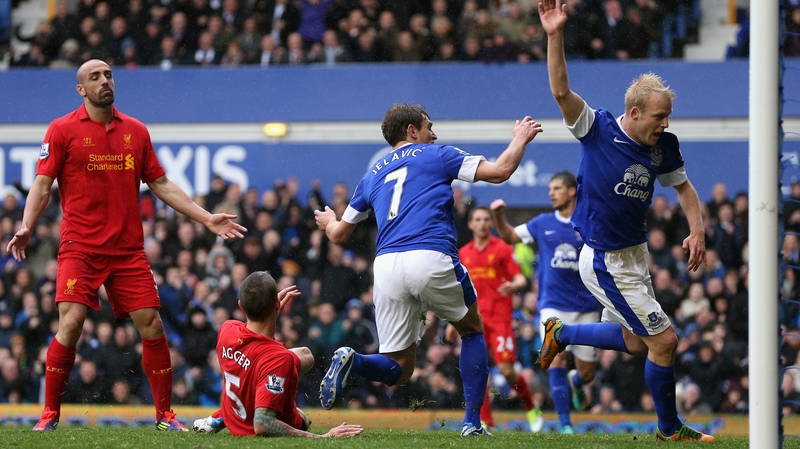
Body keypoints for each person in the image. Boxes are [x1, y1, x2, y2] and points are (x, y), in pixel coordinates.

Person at [8, 59, 247, 432]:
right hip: (80, 248)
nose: (105, 81)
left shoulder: (136, 131)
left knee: (152, 324)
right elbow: (41, 184)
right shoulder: (61, 130)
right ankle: (49, 414)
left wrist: (205, 217)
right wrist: (26, 225)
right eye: (95, 77)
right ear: (81, 90)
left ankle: (165, 416)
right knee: (70, 324)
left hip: (127, 251)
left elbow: (161, 184)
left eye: (108, 75)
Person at [536, 0, 715, 442]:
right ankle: (669, 429)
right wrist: (554, 33)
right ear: (634, 113)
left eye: (667, 116)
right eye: (659, 116)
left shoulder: (663, 146)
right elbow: (561, 92)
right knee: (665, 342)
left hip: (634, 256)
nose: (666, 123)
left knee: (637, 342)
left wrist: (697, 228)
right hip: (604, 260)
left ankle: (563, 332)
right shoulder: (597, 128)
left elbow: (686, 190)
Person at [314, 104, 542, 436]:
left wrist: (328, 220)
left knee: (400, 367)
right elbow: (501, 171)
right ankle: (472, 425)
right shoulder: (437, 156)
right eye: (428, 126)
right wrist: (520, 139)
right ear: (411, 131)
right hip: (430, 255)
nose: (433, 134)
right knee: (472, 330)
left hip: (387, 265)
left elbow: (337, 235)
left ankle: (355, 360)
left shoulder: (372, 173)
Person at [490, 171, 599, 434]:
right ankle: (565, 425)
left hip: (587, 307)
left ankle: (576, 382)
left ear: (572, 191)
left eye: (557, 188)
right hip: (553, 305)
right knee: (555, 362)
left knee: (586, 375)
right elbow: (510, 236)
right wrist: (498, 217)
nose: (551, 193)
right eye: (550, 188)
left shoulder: (590, 222)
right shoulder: (542, 223)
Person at [192, 271, 363, 438]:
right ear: (276, 303)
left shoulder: (227, 329)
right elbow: (262, 423)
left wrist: (270, 312)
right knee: (302, 416)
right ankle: (231, 411)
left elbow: (256, 341)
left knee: (305, 355)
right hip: (252, 425)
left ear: (241, 306)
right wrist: (323, 436)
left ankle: (223, 415)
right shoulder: (279, 358)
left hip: (236, 413)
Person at [449, 206, 543, 433]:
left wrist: (515, 285)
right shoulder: (463, 254)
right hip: (474, 321)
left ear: (492, 224)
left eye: (486, 220)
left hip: (500, 320)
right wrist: (453, 322)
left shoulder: (501, 248)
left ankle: (531, 407)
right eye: (477, 220)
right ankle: (484, 423)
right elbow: (456, 290)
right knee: (478, 371)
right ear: (470, 224)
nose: (482, 223)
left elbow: (520, 277)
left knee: (507, 369)